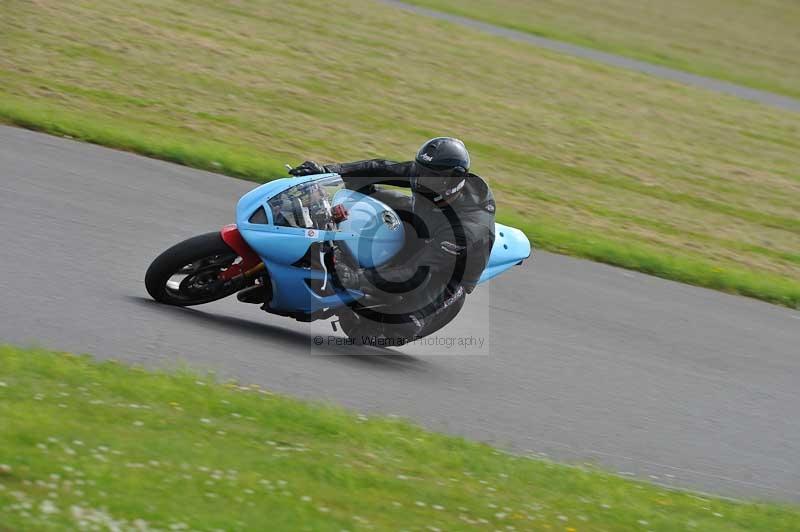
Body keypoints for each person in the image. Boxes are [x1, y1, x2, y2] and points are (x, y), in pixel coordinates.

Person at [289, 137, 496, 342]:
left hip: (446, 270)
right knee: (360, 192)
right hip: (425, 221)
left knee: (401, 324)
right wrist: (328, 171)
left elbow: (418, 270)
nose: (418, 179)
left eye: (427, 176)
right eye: (419, 170)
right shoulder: (431, 176)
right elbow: (381, 168)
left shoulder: (467, 229)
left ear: (453, 179)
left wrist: (357, 278)